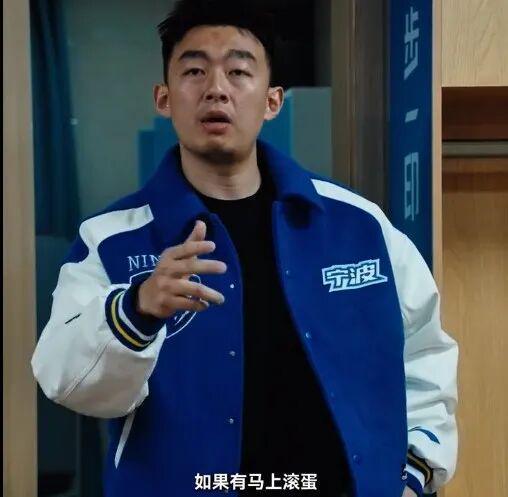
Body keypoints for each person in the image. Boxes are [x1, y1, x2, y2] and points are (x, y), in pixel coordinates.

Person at [31, 1, 458, 496]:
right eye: (194, 70)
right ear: (164, 98)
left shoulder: (358, 225)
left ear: (272, 101)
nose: (216, 88)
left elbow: (425, 355)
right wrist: (137, 308)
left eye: (238, 71)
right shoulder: (112, 240)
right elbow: (65, 380)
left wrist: (415, 470)